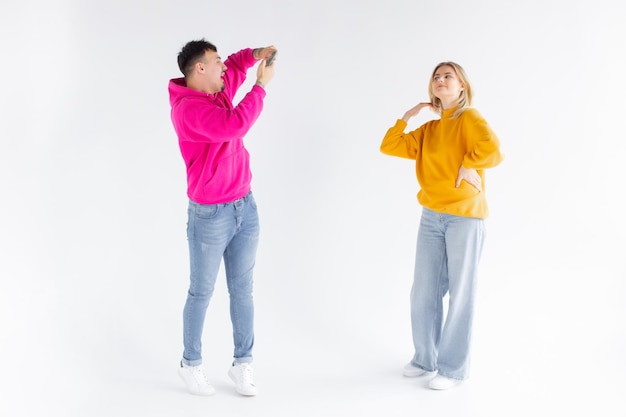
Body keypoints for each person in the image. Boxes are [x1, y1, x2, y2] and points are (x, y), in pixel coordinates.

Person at [380, 62, 503, 390]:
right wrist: (407, 117)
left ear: (462, 85)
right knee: (423, 291)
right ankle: (425, 358)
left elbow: (493, 150)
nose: (441, 80)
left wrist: (468, 164)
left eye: (448, 75)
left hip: (465, 217)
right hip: (431, 216)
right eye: (436, 76)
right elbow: (390, 146)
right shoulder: (430, 130)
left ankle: (452, 369)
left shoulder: (470, 118)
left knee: (461, 294)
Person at [168, 39, 276, 397]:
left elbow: (234, 63)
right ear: (199, 68)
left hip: (244, 206)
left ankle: (242, 364)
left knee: (242, 289)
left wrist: (253, 56)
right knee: (201, 292)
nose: (223, 69)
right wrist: (260, 86)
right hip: (210, 216)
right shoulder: (188, 110)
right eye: (214, 63)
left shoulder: (216, 87)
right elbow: (234, 125)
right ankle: (191, 364)